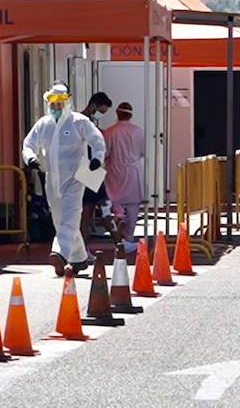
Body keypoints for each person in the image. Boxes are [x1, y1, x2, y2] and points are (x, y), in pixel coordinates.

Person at [21, 83, 106, 276]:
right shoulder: (43, 124)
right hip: (52, 178)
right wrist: (30, 158)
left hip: (76, 177)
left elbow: (97, 140)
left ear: (67, 102)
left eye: (60, 103)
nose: (57, 107)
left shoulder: (79, 122)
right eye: (53, 104)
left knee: (71, 215)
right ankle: (79, 258)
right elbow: (28, 143)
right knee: (59, 219)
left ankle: (59, 252)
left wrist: (97, 159)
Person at [103, 101, 146, 256]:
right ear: (131, 114)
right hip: (133, 170)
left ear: (117, 114)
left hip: (114, 170)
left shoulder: (109, 132)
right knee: (133, 205)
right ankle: (129, 236)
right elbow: (142, 151)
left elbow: (105, 153)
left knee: (116, 200)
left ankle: (119, 217)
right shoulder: (138, 131)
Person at [80, 92, 114, 242]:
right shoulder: (82, 122)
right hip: (87, 169)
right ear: (93, 106)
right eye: (101, 111)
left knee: (92, 208)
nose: (101, 115)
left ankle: (118, 241)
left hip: (89, 168)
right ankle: (119, 242)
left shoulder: (87, 122)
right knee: (93, 208)